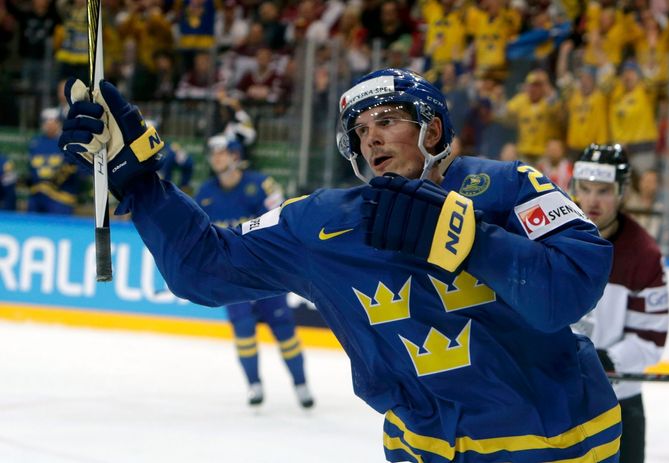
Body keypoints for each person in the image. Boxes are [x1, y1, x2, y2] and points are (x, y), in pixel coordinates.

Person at [59, 69, 621, 463]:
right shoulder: (323, 222)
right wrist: (142, 185)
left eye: (387, 120)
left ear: (432, 130)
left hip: (558, 445)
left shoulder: (508, 186)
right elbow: (203, 268)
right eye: (360, 130)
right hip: (422, 449)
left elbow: (567, 292)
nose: (371, 135)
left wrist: (468, 237)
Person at [195, 135, 314, 408]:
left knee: (284, 329)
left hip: (268, 274)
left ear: (235, 156)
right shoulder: (204, 193)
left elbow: (281, 221)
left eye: (222, 153)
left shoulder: (262, 185)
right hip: (232, 278)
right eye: (213, 154)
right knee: (243, 329)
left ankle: (301, 384)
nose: (217, 158)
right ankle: (254, 385)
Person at [571, 144, 669, 463]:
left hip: (619, 402)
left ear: (623, 191)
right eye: (585, 189)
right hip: (554, 394)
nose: (593, 200)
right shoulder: (550, 240)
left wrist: (607, 359)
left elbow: (650, 339)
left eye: (604, 190)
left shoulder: (644, 254)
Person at [28, 107, 82, 214]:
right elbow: (31, 171)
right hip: (38, 195)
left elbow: (75, 169)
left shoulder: (69, 142)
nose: (49, 124)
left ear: (60, 123)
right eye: (46, 121)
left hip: (60, 197)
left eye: (53, 121)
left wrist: (50, 185)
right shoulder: (35, 143)